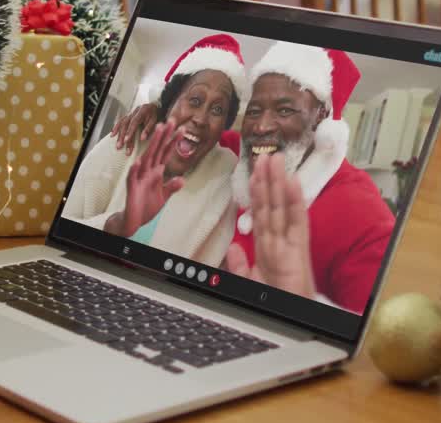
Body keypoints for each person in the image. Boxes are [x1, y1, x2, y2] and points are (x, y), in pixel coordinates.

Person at [112, 42, 393, 313]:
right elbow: (198, 134)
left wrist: (300, 302)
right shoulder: (239, 154)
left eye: (285, 110)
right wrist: (158, 112)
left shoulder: (365, 216)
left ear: (321, 118)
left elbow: (370, 336)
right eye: (255, 110)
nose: (261, 126)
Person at [64, 34, 248, 265]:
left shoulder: (226, 178)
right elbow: (63, 237)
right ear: (169, 103)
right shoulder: (125, 142)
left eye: (218, 110)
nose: (201, 119)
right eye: (194, 100)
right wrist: (118, 224)